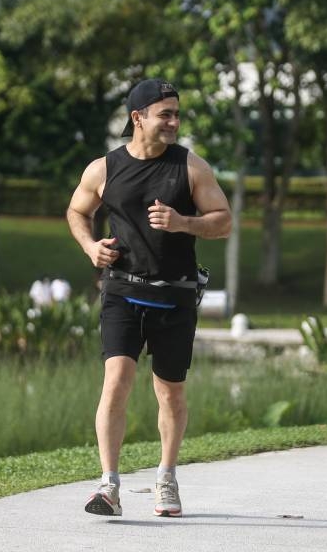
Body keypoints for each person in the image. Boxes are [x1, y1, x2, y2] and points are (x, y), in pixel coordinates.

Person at [66, 78, 232, 518]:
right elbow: (77, 211)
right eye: (166, 114)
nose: (175, 122)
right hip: (122, 290)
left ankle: (166, 477)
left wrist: (183, 223)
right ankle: (109, 485)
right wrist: (90, 247)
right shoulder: (103, 168)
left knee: (170, 394)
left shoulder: (190, 167)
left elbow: (224, 222)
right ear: (138, 118)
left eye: (177, 114)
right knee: (116, 381)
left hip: (175, 294)